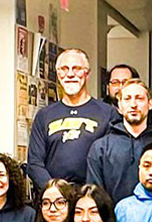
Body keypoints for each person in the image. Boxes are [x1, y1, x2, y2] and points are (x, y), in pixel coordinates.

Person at [26, 48, 121, 185]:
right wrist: (53, 190)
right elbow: (34, 163)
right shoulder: (44, 115)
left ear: (87, 74)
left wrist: (94, 193)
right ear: (58, 74)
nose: (70, 74)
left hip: (93, 194)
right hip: (55, 195)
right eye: (64, 69)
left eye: (76, 69)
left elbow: (114, 162)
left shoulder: (108, 114)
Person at [86, 79, 152, 202]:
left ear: (150, 104)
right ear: (119, 106)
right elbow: (95, 197)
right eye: (127, 99)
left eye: (139, 98)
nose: (133, 105)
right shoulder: (101, 148)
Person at [103, 64, 152, 130]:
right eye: (115, 82)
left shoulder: (150, 115)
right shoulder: (99, 111)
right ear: (108, 86)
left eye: (125, 82)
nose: (120, 87)